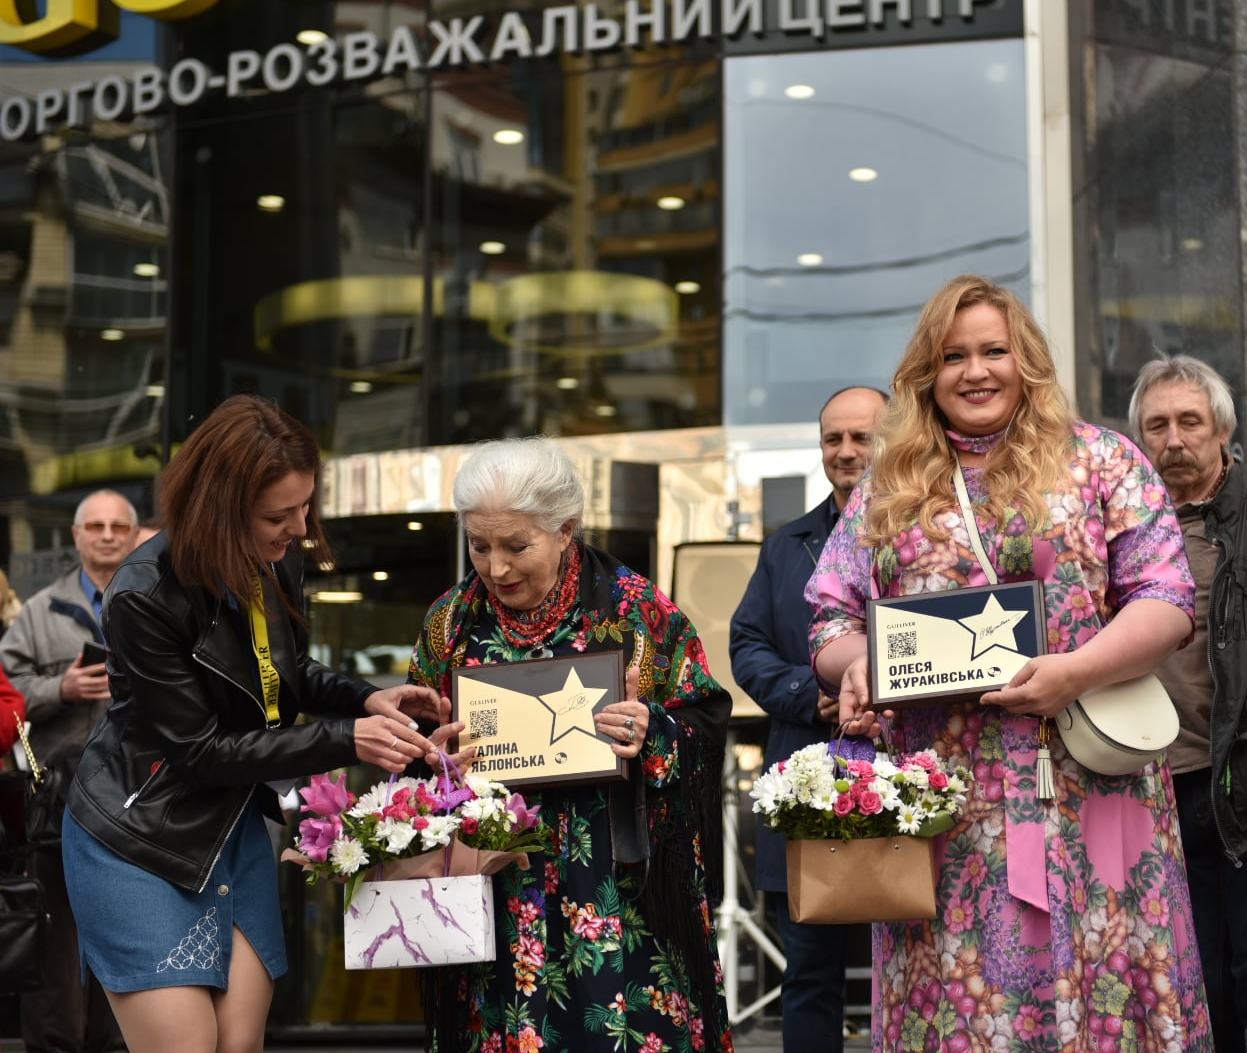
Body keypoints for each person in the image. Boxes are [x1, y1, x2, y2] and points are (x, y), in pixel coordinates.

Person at [809, 274, 1211, 1051]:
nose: (975, 371)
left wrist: (1078, 671)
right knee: (961, 1009)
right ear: (927, 374)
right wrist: (855, 664)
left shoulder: (1101, 461)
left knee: (1115, 985)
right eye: (953, 356)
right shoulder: (889, 487)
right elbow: (830, 616)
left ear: (1025, 359)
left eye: (994, 350)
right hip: (948, 807)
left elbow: (1167, 597)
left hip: (1096, 787)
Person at [62, 395, 446, 1053]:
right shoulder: (142, 593)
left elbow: (282, 674)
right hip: (141, 839)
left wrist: (368, 699)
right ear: (222, 506)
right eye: (279, 514)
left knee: (239, 1045)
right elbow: (200, 752)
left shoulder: (272, 558)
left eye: (305, 507)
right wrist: (346, 739)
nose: (299, 527)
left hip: (232, 827)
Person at [409, 436, 734, 1053]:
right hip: (496, 887)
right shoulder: (450, 623)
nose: (496, 567)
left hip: (615, 883)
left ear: (565, 530)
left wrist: (650, 731)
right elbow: (416, 737)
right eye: (479, 545)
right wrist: (435, 755)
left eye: (516, 546)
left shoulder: (635, 610)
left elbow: (705, 721)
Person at [1129, 356, 1247, 1051]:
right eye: (1157, 425)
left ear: (1222, 431)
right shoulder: (1118, 531)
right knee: (1195, 991)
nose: (1173, 439)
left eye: (1189, 422)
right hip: (1153, 790)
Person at [729, 384, 888, 1051]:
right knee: (811, 972)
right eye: (833, 438)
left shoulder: (932, 532)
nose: (846, 451)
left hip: (909, 777)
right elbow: (746, 645)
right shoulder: (785, 546)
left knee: (914, 965)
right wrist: (807, 690)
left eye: (861, 437)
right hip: (809, 779)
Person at [1, 488, 142, 1053]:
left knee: (125, 934)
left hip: (138, 802)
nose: (107, 535)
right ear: (78, 536)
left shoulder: (157, 601)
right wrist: (61, 687)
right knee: (57, 938)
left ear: (132, 536)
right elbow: (7, 691)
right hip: (60, 805)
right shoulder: (40, 610)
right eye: (96, 526)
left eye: (118, 526)